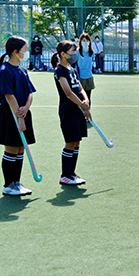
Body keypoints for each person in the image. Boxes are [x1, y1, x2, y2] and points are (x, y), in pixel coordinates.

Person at [0, 36, 36, 196]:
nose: (27, 53)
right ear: (15, 51)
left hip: (23, 112)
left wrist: (25, 108)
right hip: (10, 113)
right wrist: (19, 116)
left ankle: (17, 183)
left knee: (20, 148)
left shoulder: (22, 70)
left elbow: (30, 93)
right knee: (11, 148)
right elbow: (8, 95)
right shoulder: (5, 70)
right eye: (25, 50)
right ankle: (8, 185)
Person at [52, 40, 91, 186]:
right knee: (70, 142)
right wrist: (81, 104)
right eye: (72, 52)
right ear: (63, 54)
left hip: (78, 110)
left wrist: (86, 101)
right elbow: (68, 93)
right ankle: (65, 175)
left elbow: (80, 88)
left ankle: (72, 173)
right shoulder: (60, 71)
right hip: (68, 110)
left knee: (77, 142)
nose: (75, 55)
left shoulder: (72, 69)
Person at [77, 33, 95, 107]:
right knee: (81, 97)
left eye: (87, 40)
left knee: (88, 97)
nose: (85, 42)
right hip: (80, 76)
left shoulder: (91, 52)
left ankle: (87, 115)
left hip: (89, 76)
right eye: (83, 40)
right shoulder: (78, 52)